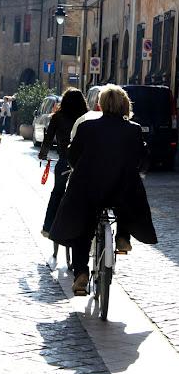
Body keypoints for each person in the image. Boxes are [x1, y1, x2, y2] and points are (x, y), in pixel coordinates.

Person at [49, 84, 157, 294]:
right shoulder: (133, 129)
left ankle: (81, 273)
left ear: (100, 104)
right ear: (125, 105)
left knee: (82, 229)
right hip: (121, 192)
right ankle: (123, 236)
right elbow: (143, 160)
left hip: (89, 191)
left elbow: (73, 156)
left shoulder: (87, 127)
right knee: (128, 197)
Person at [38, 87, 88, 237]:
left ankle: (48, 227)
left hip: (64, 160)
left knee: (57, 192)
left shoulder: (57, 117)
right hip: (83, 162)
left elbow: (47, 140)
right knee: (84, 193)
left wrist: (43, 154)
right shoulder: (86, 117)